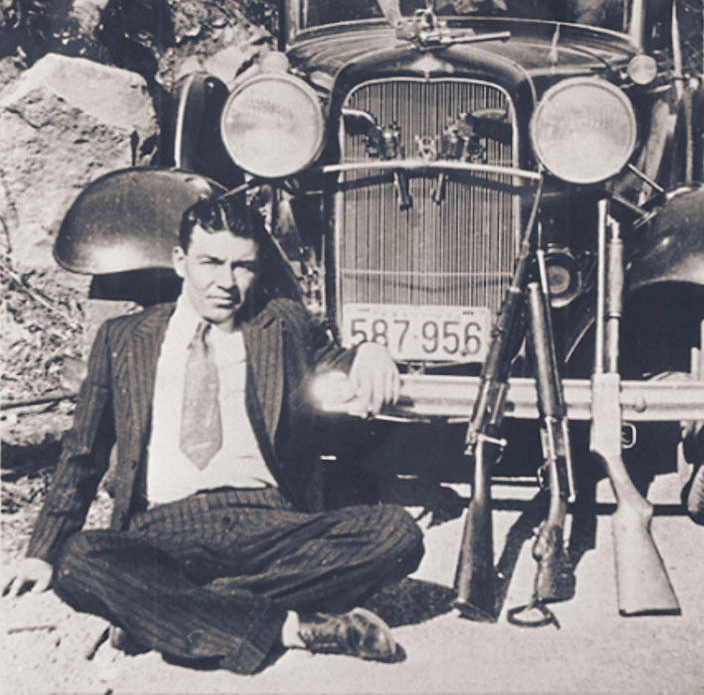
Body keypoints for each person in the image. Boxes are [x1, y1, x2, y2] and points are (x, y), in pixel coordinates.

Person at [2, 194, 423, 673]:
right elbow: (83, 453)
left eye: (242, 266)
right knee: (76, 559)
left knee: (397, 534)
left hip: (269, 522)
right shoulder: (123, 337)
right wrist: (41, 552)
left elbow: (334, 361)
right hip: (163, 529)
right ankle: (292, 628)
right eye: (211, 262)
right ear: (180, 261)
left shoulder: (280, 324)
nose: (226, 282)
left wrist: (370, 352)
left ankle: (166, 612)